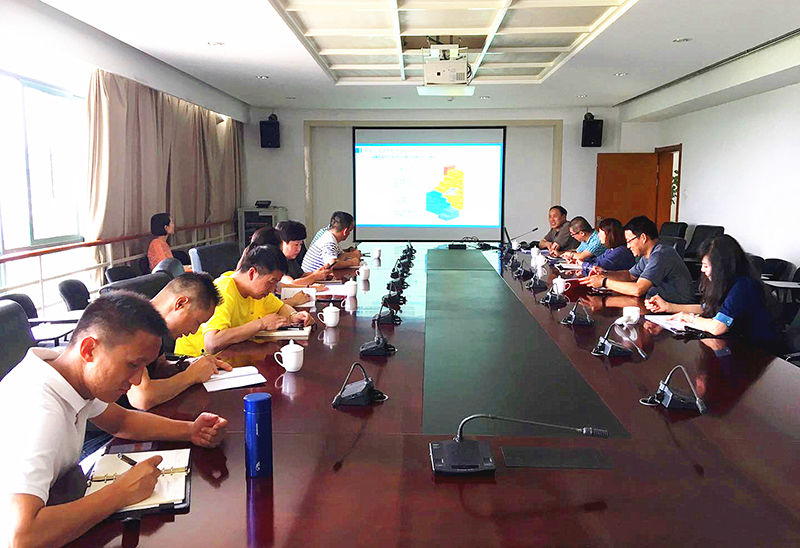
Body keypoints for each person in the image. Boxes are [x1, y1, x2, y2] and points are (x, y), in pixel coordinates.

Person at [0, 292, 227, 548]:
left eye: (143, 367)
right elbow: (20, 537)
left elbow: (122, 421)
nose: (137, 380)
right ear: (89, 349)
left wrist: (191, 430)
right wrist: (121, 493)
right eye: (132, 365)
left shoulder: (68, 373)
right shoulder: (38, 408)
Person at [644, 235, 782, 353]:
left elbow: (717, 327)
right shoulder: (725, 282)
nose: (702, 270)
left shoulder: (744, 285)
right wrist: (668, 307)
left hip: (756, 351)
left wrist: (690, 318)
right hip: (733, 344)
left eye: (706, 266)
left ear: (721, 267)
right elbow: (705, 308)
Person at [174, 245, 314, 356]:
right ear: (252, 273)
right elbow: (212, 343)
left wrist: (293, 316)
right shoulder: (223, 291)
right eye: (271, 282)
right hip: (196, 360)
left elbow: (280, 307)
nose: (272, 289)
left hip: (234, 357)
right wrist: (261, 324)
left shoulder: (257, 292)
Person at [124, 273, 233, 411]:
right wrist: (191, 376)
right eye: (197, 322)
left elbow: (158, 368)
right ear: (180, 304)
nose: (194, 331)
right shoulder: (134, 326)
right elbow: (142, 398)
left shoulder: (155, 326)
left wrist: (187, 364)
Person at [580, 215, 694, 303]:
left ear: (643, 237)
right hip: (656, 304)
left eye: (629, 241)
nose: (628, 246)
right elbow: (629, 275)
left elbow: (638, 289)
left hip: (675, 310)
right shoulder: (647, 256)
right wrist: (605, 274)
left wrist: (604, 282)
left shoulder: (660, 255)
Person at [236, 226, 316, 307]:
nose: (272, 289)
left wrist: (309, 287)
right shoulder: (257, 281)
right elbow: (266, 307)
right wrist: (294, 301)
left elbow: (279, 287)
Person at [275, 220, 332, 288]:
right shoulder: (276, 260)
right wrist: (315, 276)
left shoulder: (290, 259)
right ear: (282, 242)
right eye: (296, 245)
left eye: (300, 244)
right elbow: (291, 284)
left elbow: (301, 276)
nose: (299, 249)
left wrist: (320, 273)